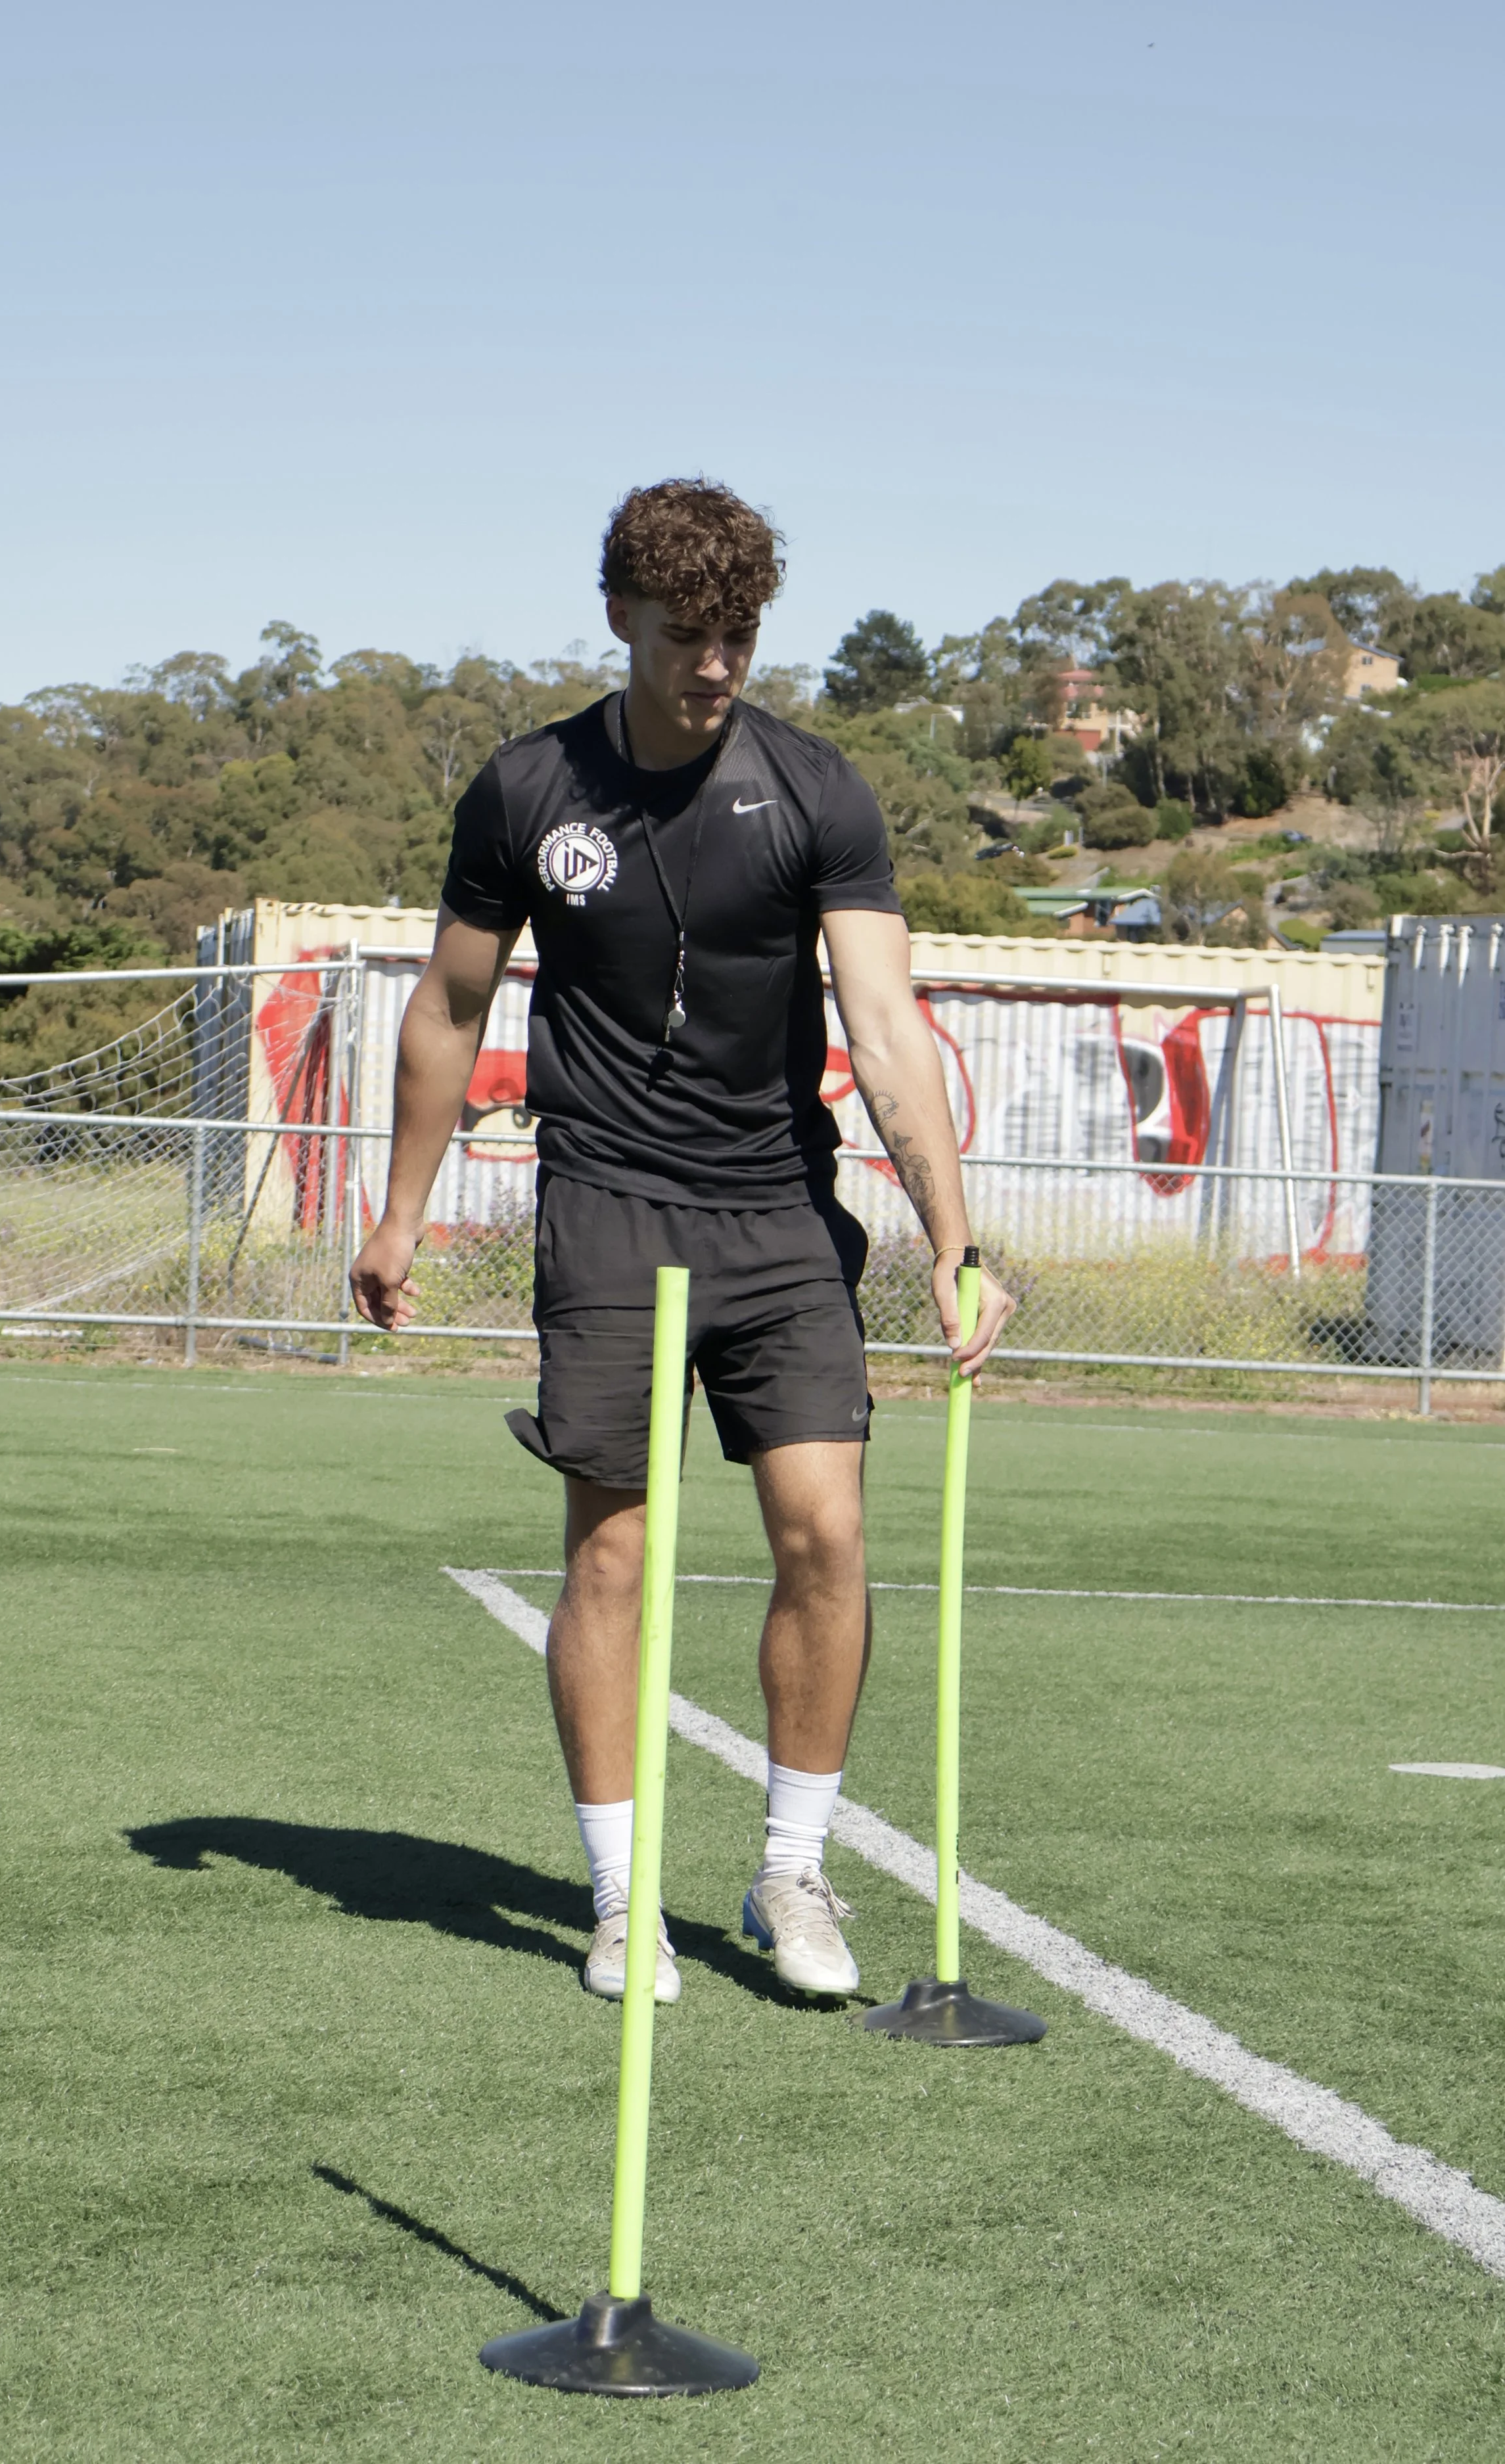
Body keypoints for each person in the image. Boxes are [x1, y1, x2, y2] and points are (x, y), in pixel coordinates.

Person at [350, 477, 1013, 2004]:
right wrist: (396, 1210)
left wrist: (948, 1236)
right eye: (684, 634)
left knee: (826, 1536)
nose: (714, 665)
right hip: (606, 1205)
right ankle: (615, 1898)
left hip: (779, 1208)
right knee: (614, 1556)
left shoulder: (816, 790)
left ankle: (790, 1867)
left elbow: (887, 1027)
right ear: (617, 618)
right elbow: (449, 1007)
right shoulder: (528, 790)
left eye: (738, 635)